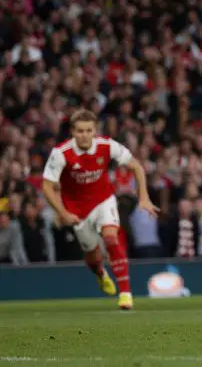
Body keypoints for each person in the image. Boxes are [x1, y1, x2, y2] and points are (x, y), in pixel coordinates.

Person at [41, 109, 159, 310]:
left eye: (88, 130)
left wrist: (144, 197)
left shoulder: (107, 146)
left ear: (95, 131)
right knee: (94, 257)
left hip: (103, 200)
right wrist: (63, 213)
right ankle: (100, 273)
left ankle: (125, 293)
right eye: (80, 131)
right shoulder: (61, 153)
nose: (84, 135)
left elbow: (136, 167)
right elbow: (46, 186)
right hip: (77, 211)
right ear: (72, 132)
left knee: (111, 238)